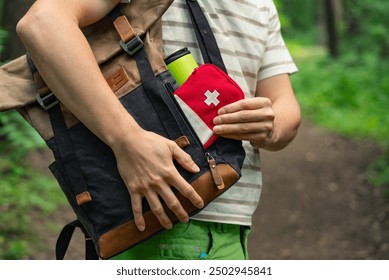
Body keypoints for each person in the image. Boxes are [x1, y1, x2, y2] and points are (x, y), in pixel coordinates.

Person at [16, 0, 301, 260]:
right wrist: (126, 139)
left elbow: (284, 103)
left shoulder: (262, 6)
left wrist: (271, 126)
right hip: (156, 219)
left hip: (234, 229)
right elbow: (43, 23)